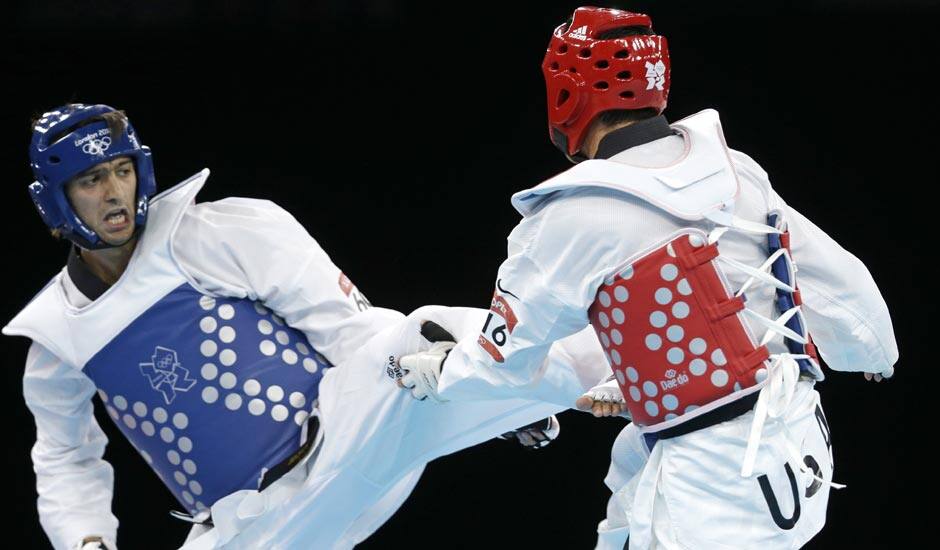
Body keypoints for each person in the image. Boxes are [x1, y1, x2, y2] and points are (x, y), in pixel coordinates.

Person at [397, 6, 899, 549]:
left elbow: (503, 359)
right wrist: (870, 348)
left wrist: (445, 374)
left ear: (566, 94)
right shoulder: (734, 168)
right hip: (798, 442)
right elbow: (827, 274)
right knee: (622, 511)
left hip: (713, 483)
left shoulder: (575, 214)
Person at [5, 104, 611, 549]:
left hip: (344, 435)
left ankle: (609, 365)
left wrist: (477, 385)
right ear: (56, 201)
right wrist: (85, 541)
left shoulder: (222, 231)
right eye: (90, 180)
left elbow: (346, 326)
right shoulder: (58, 338)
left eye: (121, 170)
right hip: (256, 529)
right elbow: (64, 456)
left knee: (421, 333)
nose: (114, 192)